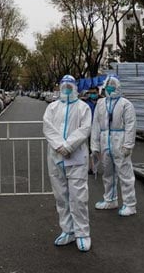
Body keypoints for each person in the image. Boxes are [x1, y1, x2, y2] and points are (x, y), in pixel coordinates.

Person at [43, 74, 93, 252]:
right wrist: (59, 146)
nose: (66, 88)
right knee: (61, 196)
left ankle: (82, 233)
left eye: (69, 85)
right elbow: (47, 127)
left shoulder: (83, 108)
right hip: (56, 158)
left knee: (78, 197)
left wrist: (69, 145)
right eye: (63, 85)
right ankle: (67, 230)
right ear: (59, 87)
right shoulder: (52, 107)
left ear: (75, 87)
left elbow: (85, 128)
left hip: (76, 158)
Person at [90, 75, 138, 217]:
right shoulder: (101, 103)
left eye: (112, 85)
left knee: (125, 174)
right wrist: (95, 146)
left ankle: (130, 204)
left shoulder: (125, 104)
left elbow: (130, 125)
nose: (110, 88)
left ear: (118, 87)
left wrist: (128, 144)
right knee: (108, 173)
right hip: (106, 141)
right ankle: (110, 199)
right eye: (108, 85)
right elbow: (96, 125)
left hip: (120, 140)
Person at [84, 86, 100, 174]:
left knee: (102, 148)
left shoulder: (102, 102)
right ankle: (92, 167)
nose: (92, 95)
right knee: (91, 149)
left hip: (101, 128)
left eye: (94, 93)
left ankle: (104, 165)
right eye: (90, 93)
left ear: (98, 92)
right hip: (90, 128)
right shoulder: (86, 103)